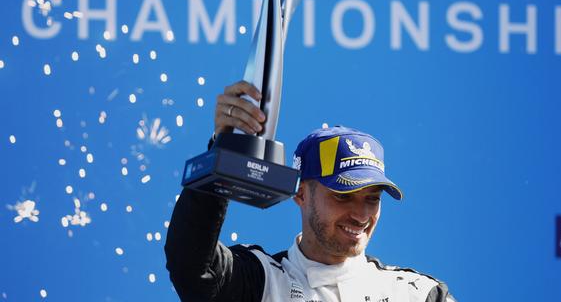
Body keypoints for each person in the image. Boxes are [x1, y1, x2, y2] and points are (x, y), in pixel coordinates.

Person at [165, 81, 455, 302]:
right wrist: (224, 147)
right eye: (343, 195)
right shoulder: (262, 281)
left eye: (373, 199)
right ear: (300, 194)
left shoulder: (418, 294)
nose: (361, 214)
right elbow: (190, 266)